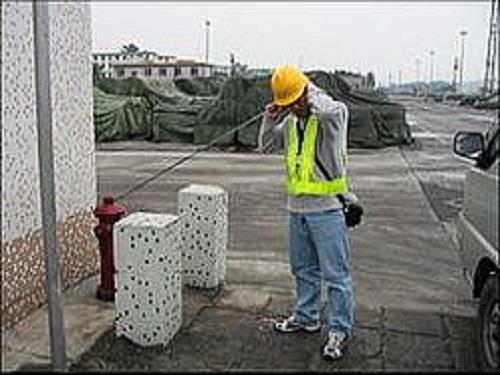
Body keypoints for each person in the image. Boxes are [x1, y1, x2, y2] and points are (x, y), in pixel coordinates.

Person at [264, 65, 356, 361]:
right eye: (287, 103)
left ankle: (340, 330)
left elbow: (333, 111)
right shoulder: (290, 123)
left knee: (336, 276)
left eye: (296, 100)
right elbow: (265, 145)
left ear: (307, 92)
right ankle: (306, 317)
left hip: (327, 210)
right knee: (303, 270)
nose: (294, 107)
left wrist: (311, 94)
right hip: (297, 210)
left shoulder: (331, 116)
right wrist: (271, 117)